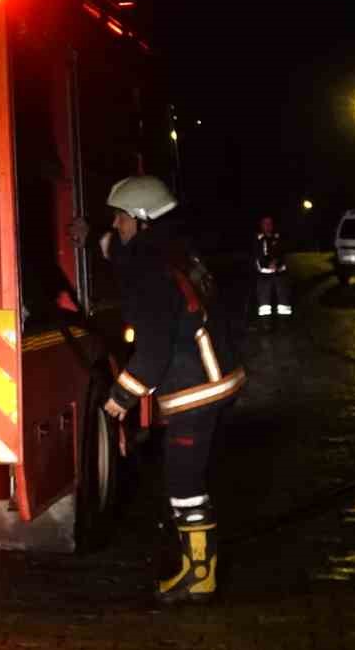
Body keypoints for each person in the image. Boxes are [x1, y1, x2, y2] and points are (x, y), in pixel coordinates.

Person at [72, 175, 245, 603]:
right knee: (187, 477)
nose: (116, 224)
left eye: (120, 217)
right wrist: (91, 237)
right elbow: (121, 252)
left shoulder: (150, 271)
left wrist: (120, 398)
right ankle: (195, 566)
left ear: (142, 218)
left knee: (184, 482)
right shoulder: (170, 247)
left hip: (196, 389)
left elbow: (153, 349)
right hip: (216, 379)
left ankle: (199, 576)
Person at [254, 216, 292, 324]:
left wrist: (277, 263)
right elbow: (256, 256)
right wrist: (267, 265)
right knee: (264, 304)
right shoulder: (258, 239)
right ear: (261, 225)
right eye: (265, 223)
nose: (268, 226)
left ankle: (284, 322)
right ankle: (266, 323)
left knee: (283, 301)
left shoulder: (279, 238)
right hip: (264, 276)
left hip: (280, 274)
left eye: (270, 223)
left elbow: (284, 254)